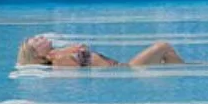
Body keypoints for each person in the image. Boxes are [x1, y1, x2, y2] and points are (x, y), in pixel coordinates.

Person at [17, 35, 184, 68]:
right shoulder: (59, 61)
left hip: (119, 67)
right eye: (36, 41)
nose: (40, 37)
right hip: (122, 72)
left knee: (168, 55)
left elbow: (82, 49)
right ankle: (184, 75)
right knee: (162, 46)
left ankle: (181, 75)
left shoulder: (59, 53)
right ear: (37, 55)